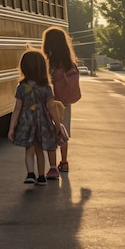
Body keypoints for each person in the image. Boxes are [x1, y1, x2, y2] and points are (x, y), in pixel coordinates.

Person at [8, 49, 63, 186]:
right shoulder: (46, 88)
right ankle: (41, 177)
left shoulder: (21, 87)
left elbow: (17, 109)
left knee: (29, 150)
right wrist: (57, 126)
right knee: (40, 151)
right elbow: (51, 108)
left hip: (26, 123)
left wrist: (12, 128)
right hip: (43, 124)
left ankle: (30, 174)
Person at [42, 26, 80, 177]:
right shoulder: (69, 63)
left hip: (49, 104)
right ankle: (64, 162)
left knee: (50, 132)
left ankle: (52, 166)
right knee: (63, 132)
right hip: (65, 103)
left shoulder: (48, 63)